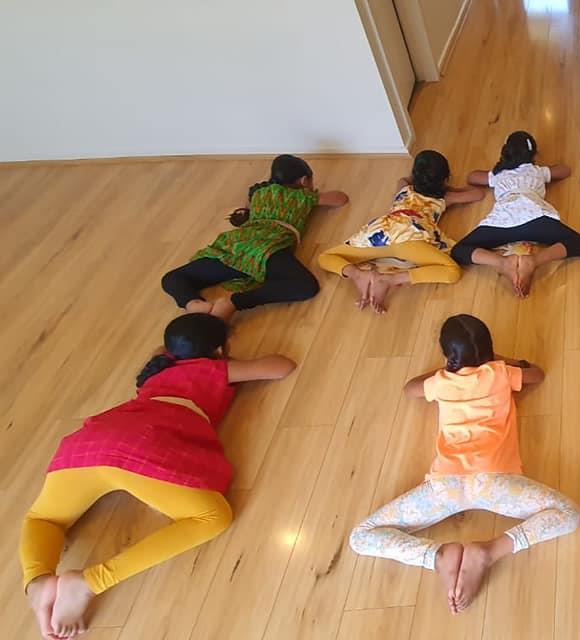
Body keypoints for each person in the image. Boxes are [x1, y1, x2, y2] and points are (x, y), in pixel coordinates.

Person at [21, 313, 296, 639]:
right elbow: (282, 366)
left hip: (89, 442)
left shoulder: (156, 368)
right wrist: (225, 361)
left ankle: (37, 580)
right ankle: (91, 582)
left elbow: (175, 343)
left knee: (43, 518)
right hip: (143, 445)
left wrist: (211, 329)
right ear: (219, 350)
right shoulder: (212, 369)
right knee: (213, 516)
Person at [348, 314, 579, 614]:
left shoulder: (440, 383)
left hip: (446, 486)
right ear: (489, 350)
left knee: (361, 536)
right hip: (495, 482)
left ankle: (436, 556)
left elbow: (409, 388)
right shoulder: (500, 373)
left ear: (447, 355)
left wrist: (447, 369)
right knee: (569, 514)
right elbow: (537, 374)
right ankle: (490, 551)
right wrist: (500, 360)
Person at [161, 154, 349, 319]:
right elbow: (340, 198)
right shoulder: (302, 197)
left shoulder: (258, 193)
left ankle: (193, 304)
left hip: (234, 246)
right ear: (304, 180)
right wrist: (312, 195)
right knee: (305, 286)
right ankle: (234, 303)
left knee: (174, 277)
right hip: (267, 248)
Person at [317, 150, 484, 313]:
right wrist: (450, 188)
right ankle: (392, 279)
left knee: (325, 257)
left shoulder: (403, 187)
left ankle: (357, 275)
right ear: (445, 179)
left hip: (380, 234)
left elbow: (403, 178)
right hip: (411, 238)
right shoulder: (445, 198)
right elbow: (477, 194)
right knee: (452, 270)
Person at [451, 131, 580, 297]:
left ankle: (502, 263)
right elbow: (565, 170)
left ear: (505, 152)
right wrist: (544, 169)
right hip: (535, 219)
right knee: (578, 242)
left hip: (501, 223)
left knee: (459, 250)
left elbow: (472, 177)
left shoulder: (498, 174)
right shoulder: (537, 171)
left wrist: (497, 169)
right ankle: (534, 261)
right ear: (533, 155)